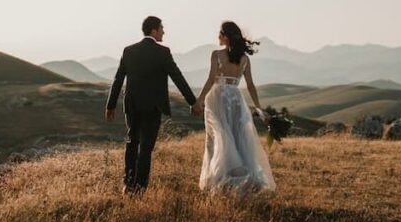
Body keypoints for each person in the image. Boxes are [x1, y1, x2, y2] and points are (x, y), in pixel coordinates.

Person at [105, 16, 199, 194]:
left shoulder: (129, 51)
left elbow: (118, 79)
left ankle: (128, 183)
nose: (164, 32)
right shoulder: (163, 52)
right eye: (162, 28)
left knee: (132, 142)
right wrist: (192, 102)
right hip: (153, 107)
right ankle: (140, 188)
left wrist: (110, 105)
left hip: (132, 106)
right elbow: (177, 77)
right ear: (154, 31)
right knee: (146, 148)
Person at [192, 21, 276, 193]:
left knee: (218, 136)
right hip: (236, 100)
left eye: (220, 34)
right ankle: (241, 179)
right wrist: (258, 108)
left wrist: (199, 100)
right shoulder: (244, 59)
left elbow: (211, 79)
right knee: (237, 137)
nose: (218, 37)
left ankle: (221, 179)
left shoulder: (216, 55)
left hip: (217, 98)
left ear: (226, 37)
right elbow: (250, 85)